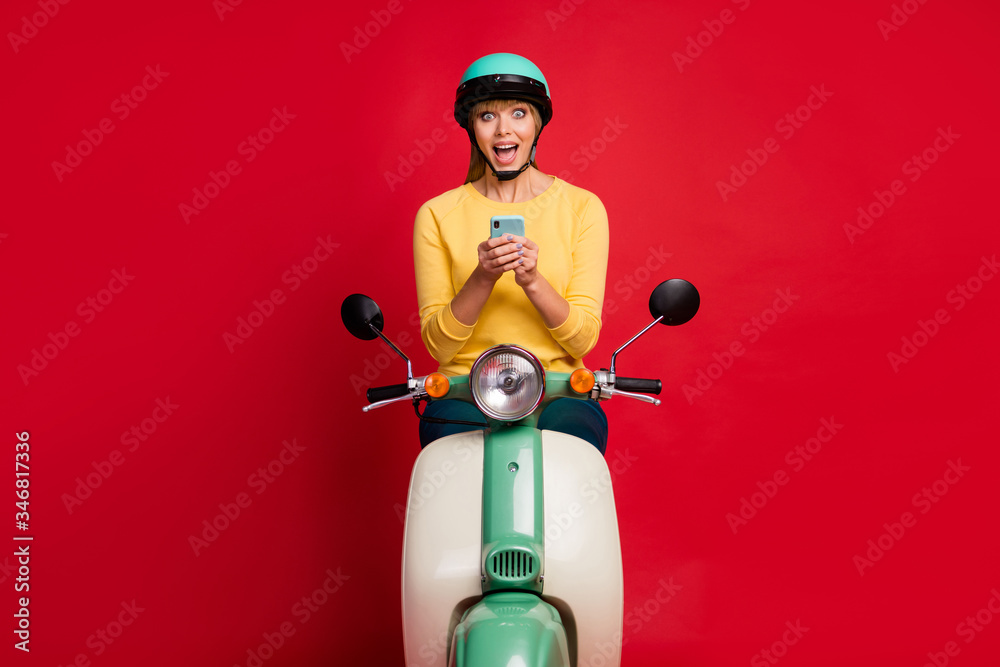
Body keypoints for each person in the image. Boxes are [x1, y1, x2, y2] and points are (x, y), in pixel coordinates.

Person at [413, 53, 610, 453]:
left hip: (557, 391)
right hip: (463, 390)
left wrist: (533, 281)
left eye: (518, 113)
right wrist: (482, 277)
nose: (504, 130)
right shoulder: (436, 214)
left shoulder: (583, 207)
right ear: (472, 127)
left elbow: (583, 341)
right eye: (488, 117)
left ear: (537, 124)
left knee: (573, 457)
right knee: (450, 468)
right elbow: (439, 347)